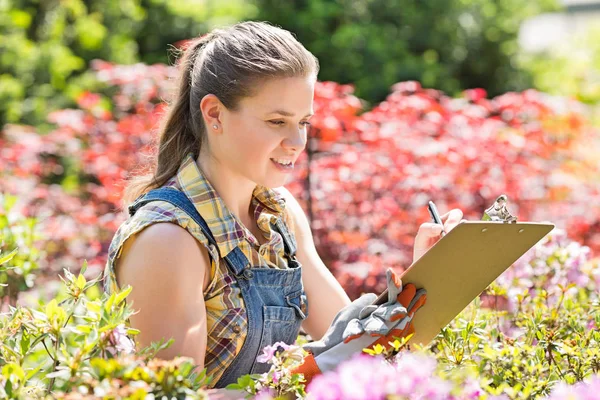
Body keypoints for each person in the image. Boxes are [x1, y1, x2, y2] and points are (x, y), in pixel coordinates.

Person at [102, 21, 464, 393]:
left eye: (303, 122)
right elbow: (174, 396)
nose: (296, 141)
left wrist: (430, 274)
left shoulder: (279, 215)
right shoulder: (168, 240)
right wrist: (303, 378)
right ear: (214, 115)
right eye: (277, 121)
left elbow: (350, 348)